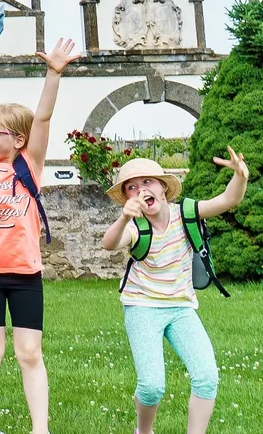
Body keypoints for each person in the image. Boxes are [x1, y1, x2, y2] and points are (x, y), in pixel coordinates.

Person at [0, 33, 79, 434]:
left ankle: (40, 429)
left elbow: (42, 118)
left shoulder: (30, 164)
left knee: (29, 353)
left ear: (17, 140)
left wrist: (53, 74)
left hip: (25, 275)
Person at [103, 153, 245, 434]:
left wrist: (240, 176)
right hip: (142, 307)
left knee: (206, 376)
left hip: (181, 308)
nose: (141, 190)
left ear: (163, 187)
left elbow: (229, 200)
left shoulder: (186, 213)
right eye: (132, 187)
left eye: (148, 182)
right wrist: (123, 219)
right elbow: (109, 243)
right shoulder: (135, 227)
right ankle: (144, 431)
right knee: (152, 386)